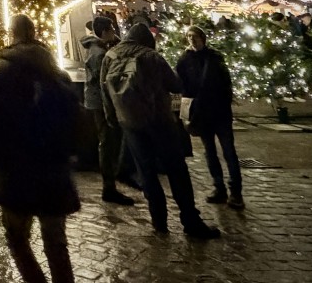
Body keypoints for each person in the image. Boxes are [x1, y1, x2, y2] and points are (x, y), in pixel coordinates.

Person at [0, 14, 80, 283]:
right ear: (34, 32)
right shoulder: (54, 71)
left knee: (17, 238)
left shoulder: (2, 69)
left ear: (11, 33)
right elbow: (73, 119)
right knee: (56, 243)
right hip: (54, 169)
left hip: (17, 170)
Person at [101, 22, 220, 239]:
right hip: (159, 120)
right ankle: (190, 220)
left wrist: (113, 118)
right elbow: (175, 84)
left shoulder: (111, 55)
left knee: (146, 172)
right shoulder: (151, 56)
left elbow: (105, 90)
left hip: (130, 123)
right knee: (176, 170)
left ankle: (159, 220)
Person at [176, 25, 243, 208]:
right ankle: (218, 187)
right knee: (210, 151)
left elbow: (226, 83)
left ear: (202, 38)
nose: (192, 39)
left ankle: (236, 191)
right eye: (189, 36)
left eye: (195, 36)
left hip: (219, 111)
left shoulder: (214, 57)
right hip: (201, 113)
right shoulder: (185, 59)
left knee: (229, 151)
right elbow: (180, 83)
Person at [80, 16, 136, 205]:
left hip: (98, 101)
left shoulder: (98, 48)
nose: (114, 32)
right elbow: (103, 81)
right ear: (104, 32)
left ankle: (112, 180)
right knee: (108, 142)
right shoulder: (99, 53)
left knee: (108, 141)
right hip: (102, 103)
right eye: (111, 29)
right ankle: (109, 186)